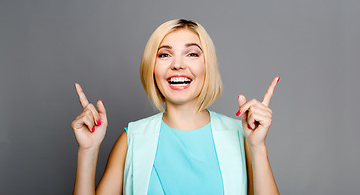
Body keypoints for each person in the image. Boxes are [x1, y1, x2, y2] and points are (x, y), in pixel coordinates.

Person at [71, 19, 280, 195]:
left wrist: (258, 147)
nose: (177, 64)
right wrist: (87, 151)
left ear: (208, 66)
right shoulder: (131, 140)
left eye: (192, 54)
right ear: (151, 68)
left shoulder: (241, 137)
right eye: (164, 55)